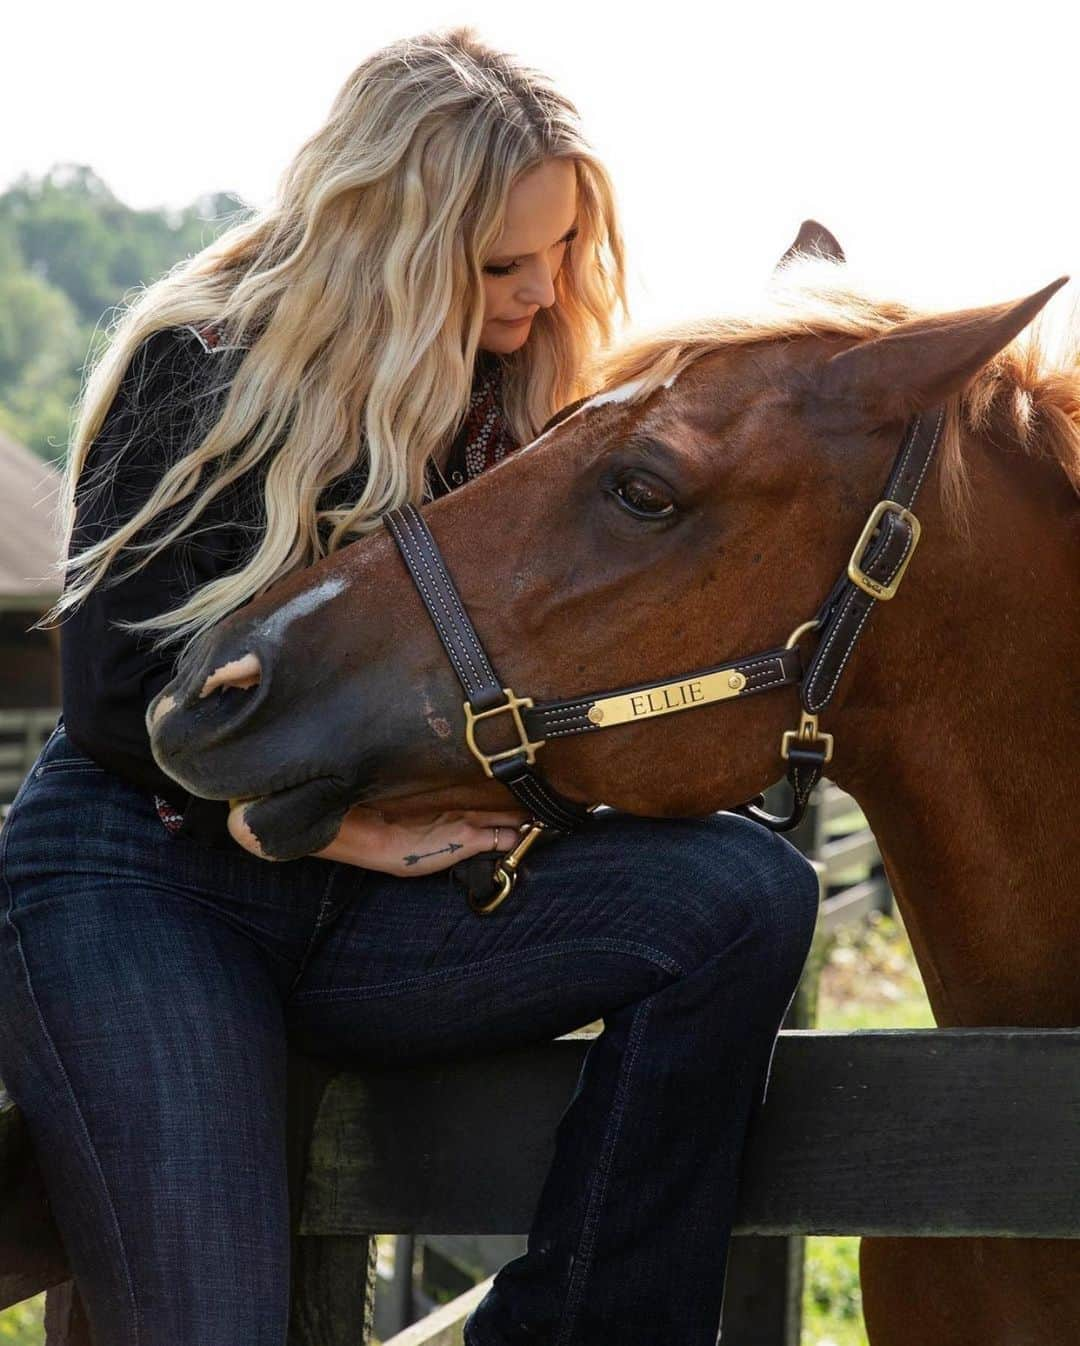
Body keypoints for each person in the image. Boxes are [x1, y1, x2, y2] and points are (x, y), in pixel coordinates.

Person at [0, 26, 821, 1346]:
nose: (544, 294)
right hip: (149, 882)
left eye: (564, 251)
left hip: (383, 906)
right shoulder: (203, 360)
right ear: (392, 248)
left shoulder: (525, 398)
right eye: (503, 263)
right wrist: (348, 823)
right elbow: (112, 693)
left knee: (746, 894)